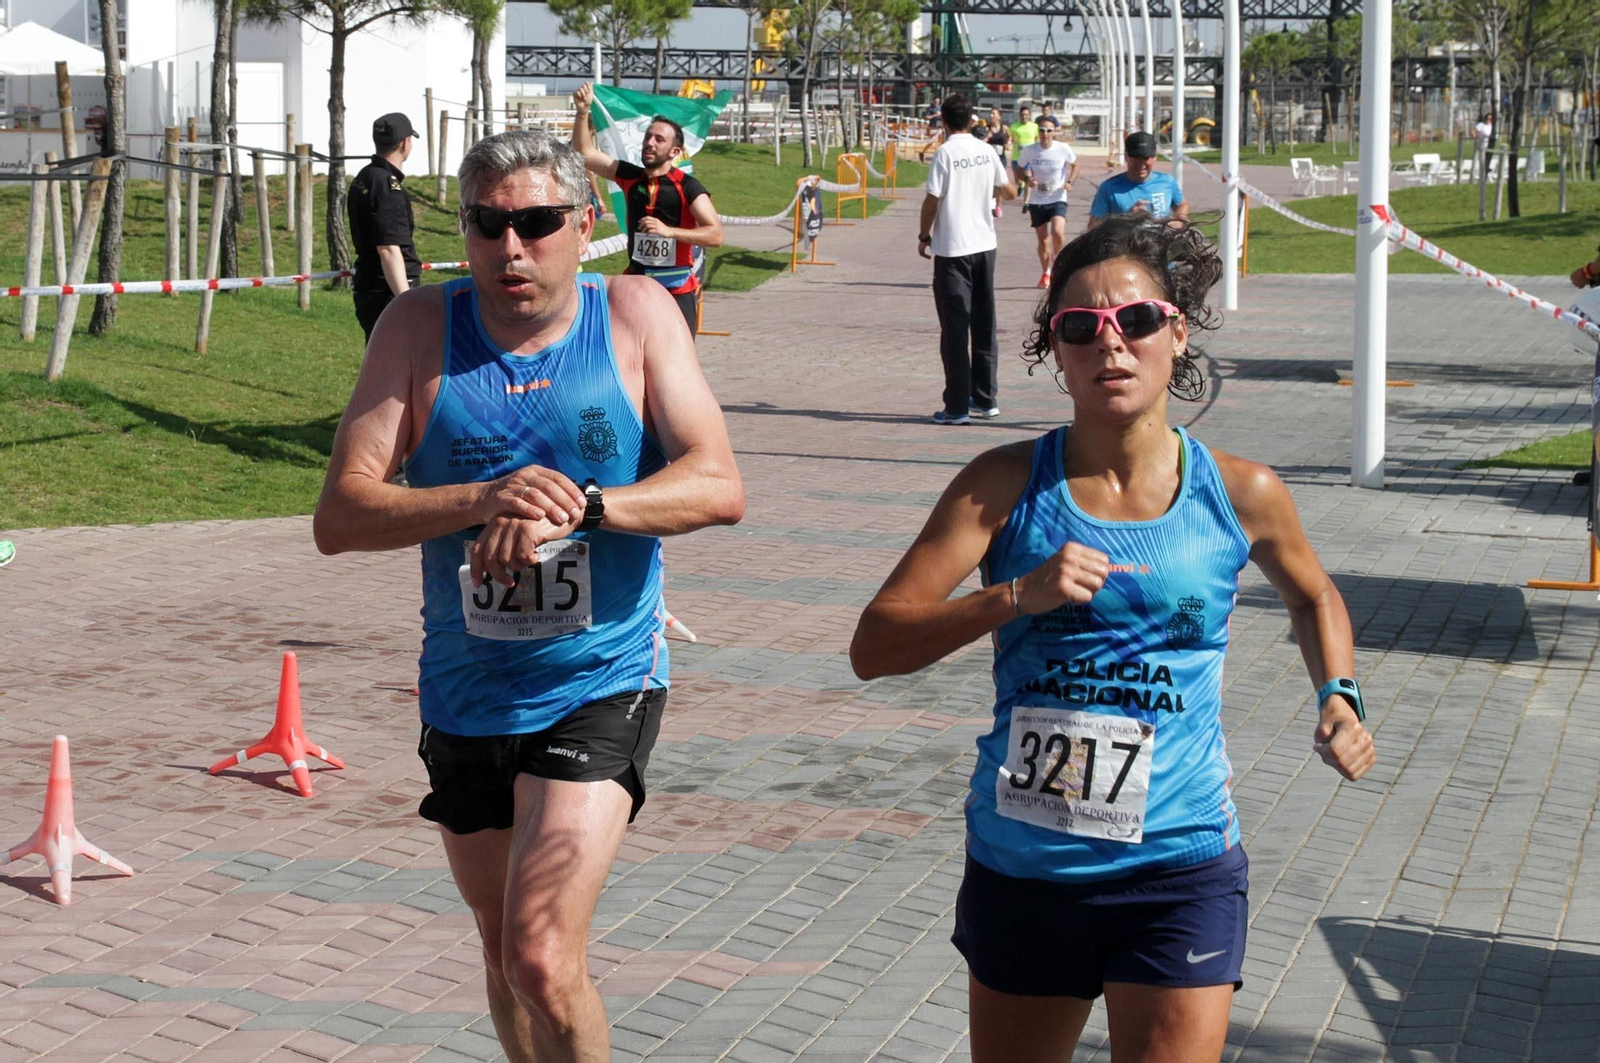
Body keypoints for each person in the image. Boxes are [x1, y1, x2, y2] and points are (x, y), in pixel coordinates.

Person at [852, 216, 1376, 1063]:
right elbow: (875, 644)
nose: (1111, 346)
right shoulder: (1001, 485)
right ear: (1054, 348)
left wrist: (1340, 697)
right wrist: (1015, 595)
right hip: (1028, 868)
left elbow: (1315, 594)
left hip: (1179, 865)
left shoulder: (1242, 492)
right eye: (1079, 328)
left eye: (1134, 322)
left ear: (1176, 331)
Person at [312, 128, 744, 1063]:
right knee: (505, 953)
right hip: (468, 686)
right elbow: (340, 514)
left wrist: (584, 508)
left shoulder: (631, 316)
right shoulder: (418, 328)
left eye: (539, 223)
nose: (512, 248)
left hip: (603, 675)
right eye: (487, 225)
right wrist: (484, 499)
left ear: (584, 224)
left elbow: (718, 485)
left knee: (542, 955)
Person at [568, 83, 725, 336]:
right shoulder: (631, 176)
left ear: (675, 151)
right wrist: (582, 113)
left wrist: (669, 232)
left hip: (675, 291)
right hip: (637, 286)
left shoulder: (688, 187)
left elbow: (715, 235)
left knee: (678, 367)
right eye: (648, 137)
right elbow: (585, 154)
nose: (649, 143)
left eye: (659, 139)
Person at [919, 93, 1019, 426]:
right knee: (984, 321)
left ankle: (957, 406)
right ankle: (985, 397)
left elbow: (932, 199)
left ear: (943, 120)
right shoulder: (986, 150)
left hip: (952, 249)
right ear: (972, 120)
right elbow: (1009, 191)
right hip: (984, 245)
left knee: (955, 327)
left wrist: (923, 235)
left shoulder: (945, 152)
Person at [347, 112, 421, 341]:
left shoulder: (365, 176)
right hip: (388, 290)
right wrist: (405, 302)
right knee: (397, 365)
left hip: (371, 286)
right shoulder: (387, 187)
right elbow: (388, 249)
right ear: (405, 142)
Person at [1018, 119, 1080, 288]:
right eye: (1042, 130)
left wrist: (1070, 182)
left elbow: (1075, 165)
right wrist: (1027, 179)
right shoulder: (1030, 150)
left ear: (1054, 132)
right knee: (1044, 241)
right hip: (1038, 200)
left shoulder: (1062, 149)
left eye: (1049, 130)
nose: (1045, 134)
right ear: (1038, 132)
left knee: (1058, 231)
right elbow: (1019, 167)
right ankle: (1046, 272)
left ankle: (1057, 257)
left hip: (1058, 197)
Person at [1088, 131, 1189, 229]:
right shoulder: (1109, 188)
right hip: (1124, 245)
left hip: (1159, 244)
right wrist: (1127, 218)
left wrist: (1179, 220)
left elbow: (1182, 204)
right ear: (1126, 156)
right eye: (1136, 158)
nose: (1141, 164)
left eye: (1145, 158)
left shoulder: (1167, 182)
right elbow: (1092, 227)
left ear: (1155, 157)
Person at [1009, 104, 1040, 209]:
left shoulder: (1034, 126)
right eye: (1022, 115)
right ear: (1019, 115)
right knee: (1018, 180)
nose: (1024, 117)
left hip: (1029, 158)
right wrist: (1011, 142)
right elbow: (1011, 139)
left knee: (1028, 179)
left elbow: (1036, 139)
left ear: (1030, 115)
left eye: (1026, 115)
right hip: (1016, 157)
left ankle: (1026, 202)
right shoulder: (1014, 127)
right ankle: (1020, 185)